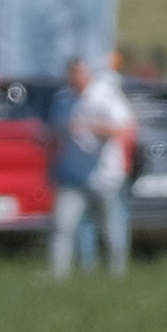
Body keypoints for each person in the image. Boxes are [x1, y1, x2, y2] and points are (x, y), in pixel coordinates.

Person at [50, 52, 134, 278]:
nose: (74, 78)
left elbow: (123, 127)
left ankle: (116, 275)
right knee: (63, 226)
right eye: (71, 73)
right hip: (72, 176)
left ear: (87, 73)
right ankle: (59, 275)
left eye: (78, 73)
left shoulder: (105, 96)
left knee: (109, 230)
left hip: (105, 176)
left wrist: (90, 126)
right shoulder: (63, 100)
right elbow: (56, 135)